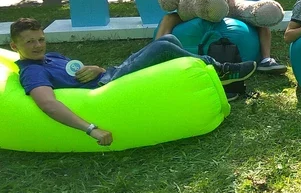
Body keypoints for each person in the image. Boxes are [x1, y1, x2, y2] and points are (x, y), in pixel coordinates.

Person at [10, 18, 257, 146]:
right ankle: (220, 69)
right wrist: (91, 129)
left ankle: (216, 69)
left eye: (40, 39)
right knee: (162, 47)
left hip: (108, 74)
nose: (38, 46)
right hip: (109, 87)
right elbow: (48, 104)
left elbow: (79, 74)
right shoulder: (32, 71)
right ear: (14, 46)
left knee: (169, 39)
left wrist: (97, 68)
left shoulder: (51, 57)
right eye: (29, 42)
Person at [154, 0, 286, 73]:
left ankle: (266, 60)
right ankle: (155, 53)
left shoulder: (242, 7)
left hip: (234, 14)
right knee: (169, 18)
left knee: (262, 23)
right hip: (204, 10)